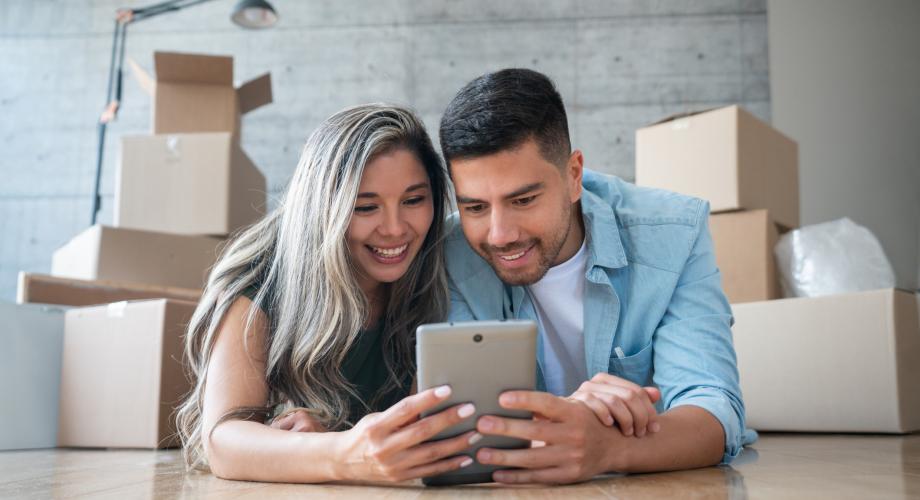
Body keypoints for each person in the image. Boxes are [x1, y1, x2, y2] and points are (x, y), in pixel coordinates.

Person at [439, 68, 748, 484]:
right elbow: (459, 424)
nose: (500, 235)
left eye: (524, 199)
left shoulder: (674, 232)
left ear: (573, 175)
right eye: (475, 207)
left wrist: (608, 448)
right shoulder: (449, 251)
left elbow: (714, 409)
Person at [176, 104, 484, 483]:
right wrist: (343, 452)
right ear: (324, 208)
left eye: (413, 200)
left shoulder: (442, 265)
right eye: (365, 206)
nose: (394, 229)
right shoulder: (256, 280)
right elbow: (223, 440)